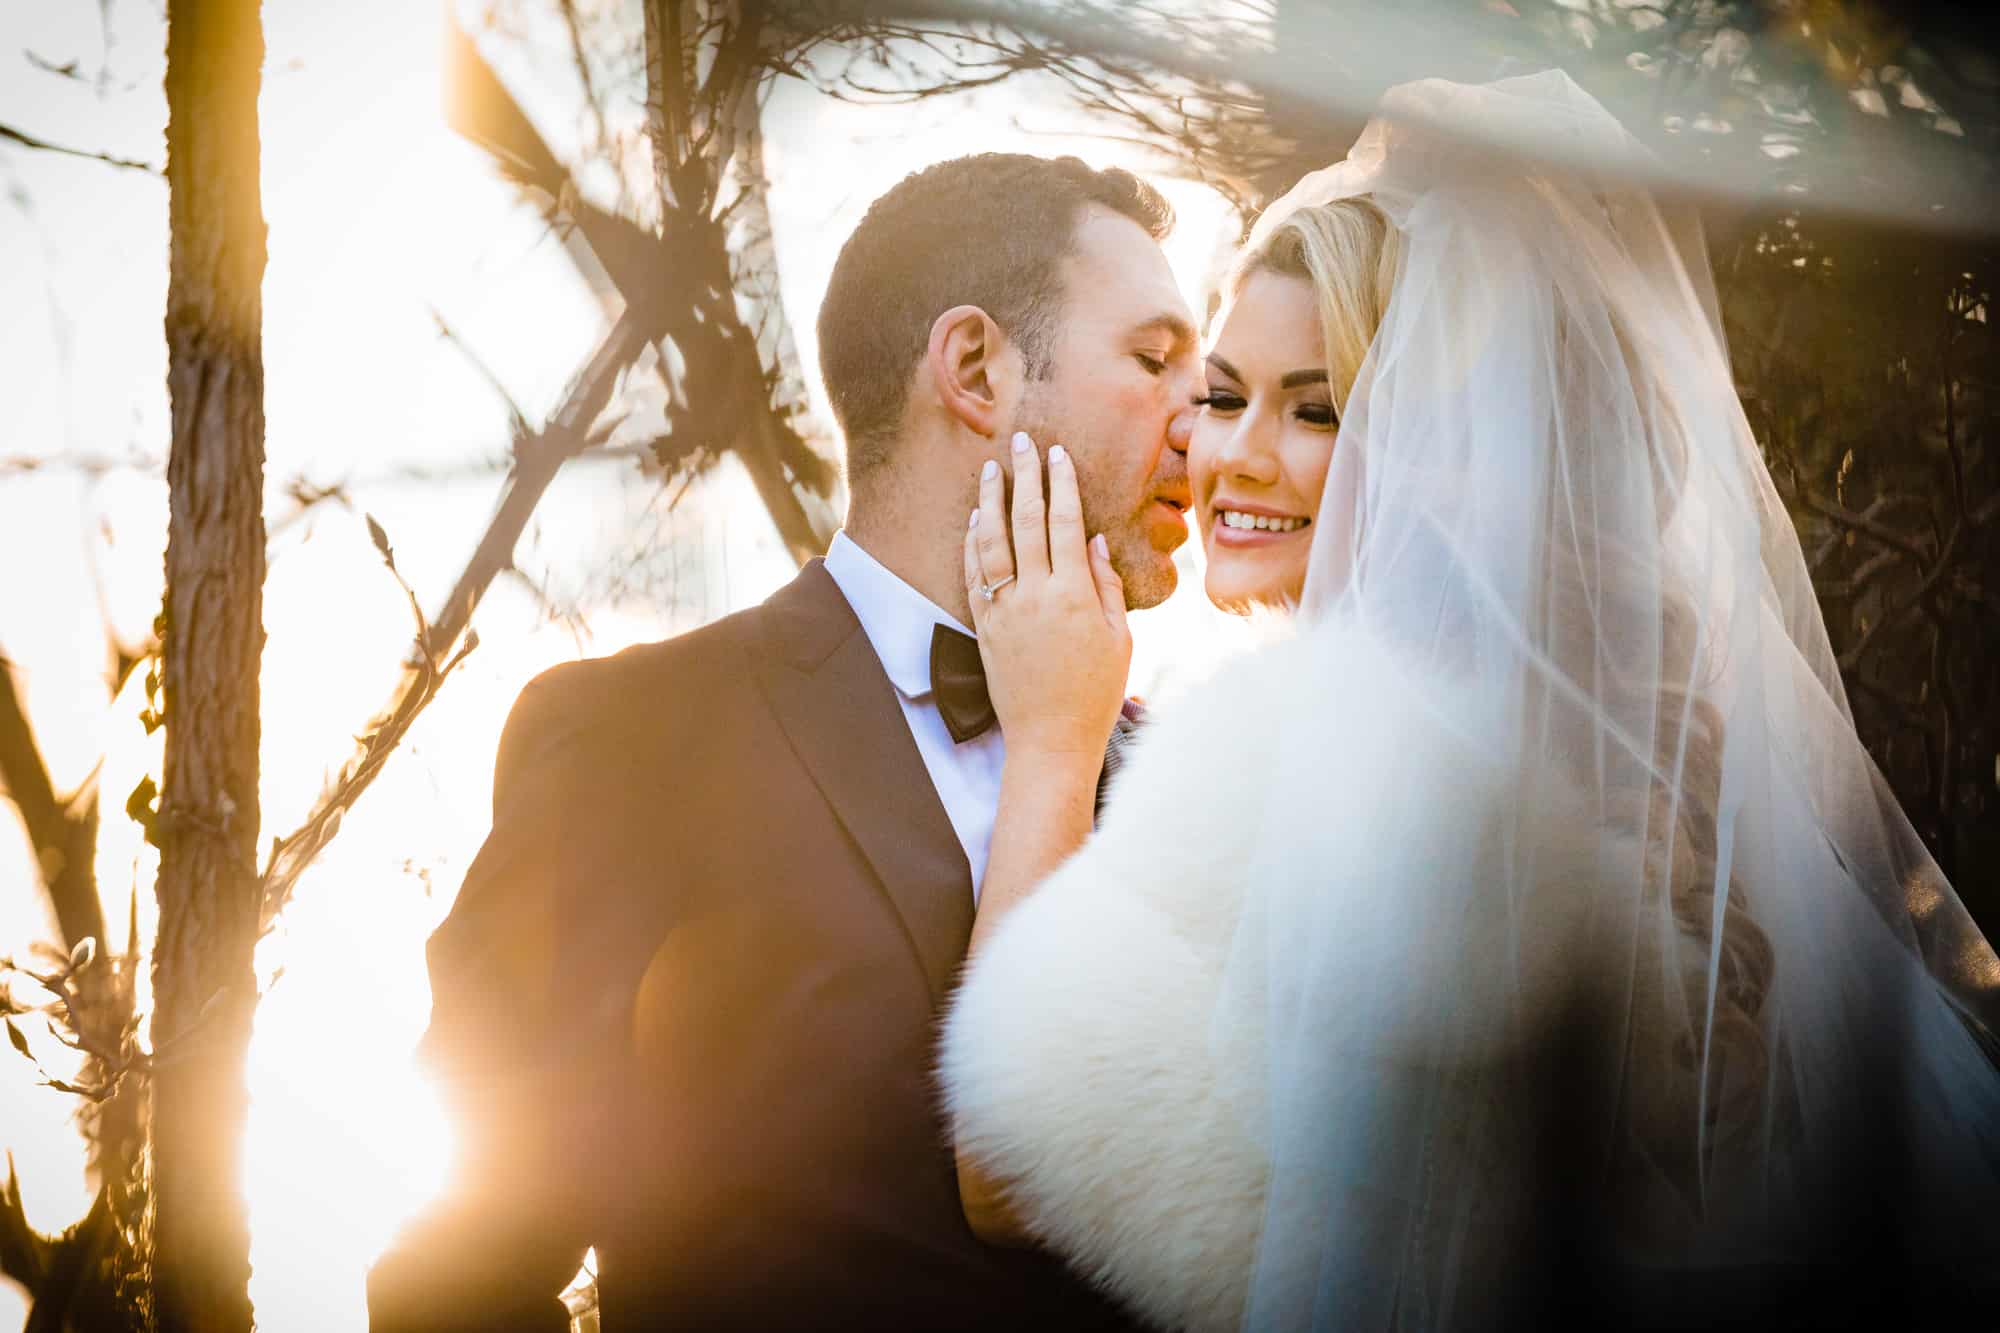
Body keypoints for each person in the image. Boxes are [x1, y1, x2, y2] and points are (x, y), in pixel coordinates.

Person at [940, 72, 2000, 1333]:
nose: (1232, 456)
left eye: (1318, 409)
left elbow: (1006, 1166)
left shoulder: (1318, 754)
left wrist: (1056, 746)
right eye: (1222, 396)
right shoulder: (1635, 760)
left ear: (1442, 450)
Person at [367, 151, 1200, 1331]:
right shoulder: (635, 743)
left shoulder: (1192, 793)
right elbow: (464, 1278)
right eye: (1155, 360)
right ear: (974, 369)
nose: (1202, 417)